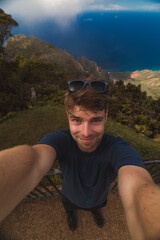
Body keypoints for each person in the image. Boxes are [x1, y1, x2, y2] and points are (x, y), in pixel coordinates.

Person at [0, 79, 160, 240]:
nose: (86, 133)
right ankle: (71, 214)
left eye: (95, 120)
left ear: (106, 116)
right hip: (70, 197)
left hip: (98, 198)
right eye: (77, 120)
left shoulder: (117, 148)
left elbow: (137, 188)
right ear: (68, 116)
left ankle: (94, 211)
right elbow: (33, 161)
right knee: (69, 208)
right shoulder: (60, 141)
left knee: (94, 207)